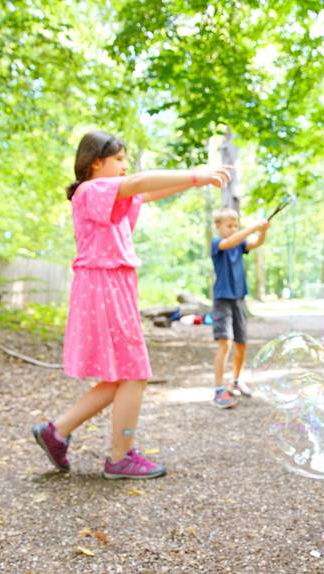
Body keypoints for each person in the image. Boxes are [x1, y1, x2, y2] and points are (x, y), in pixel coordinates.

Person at [32, 130, 231, 479]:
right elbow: (140, 183)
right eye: (119, 159)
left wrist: (192, 185)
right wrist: (197, 173)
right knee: (134, 372)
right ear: (96, 163)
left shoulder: (107, 196)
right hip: (103, 286)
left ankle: (56, 431)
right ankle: (120, 456)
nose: (125, 166)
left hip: (110, 286)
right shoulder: (93, 190)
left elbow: (148, 192)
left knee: (121, 376)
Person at [210, 208, 269, 408]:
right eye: (229, 225)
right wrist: (252, 227)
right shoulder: (218, 244)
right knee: (225, 342)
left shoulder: (240, 244)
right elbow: (229, 242)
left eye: (236, 225)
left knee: (241, 343)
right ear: (218, 227)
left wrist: (262, 231)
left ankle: (235, 380)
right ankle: (218, 389)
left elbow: (257, 243)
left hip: (238, 299)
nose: (233, 229)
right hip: (222, 299)